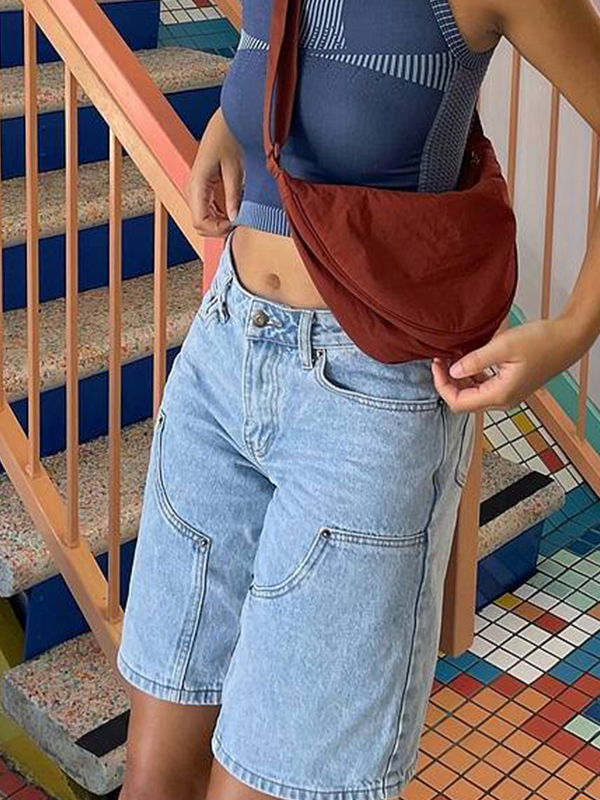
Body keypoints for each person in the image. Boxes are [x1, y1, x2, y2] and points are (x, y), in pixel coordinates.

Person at [116, 1, 600, 799]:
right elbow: (297, 67)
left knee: (263, 783)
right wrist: (231, 128)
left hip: (368, 397)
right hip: (225, 347)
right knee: (152, 775)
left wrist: (573, 331)